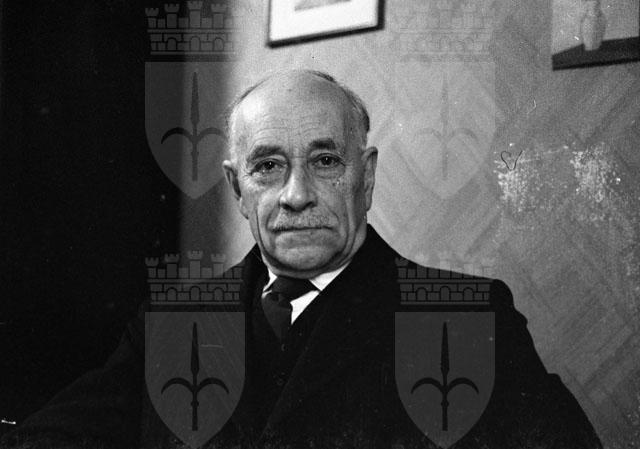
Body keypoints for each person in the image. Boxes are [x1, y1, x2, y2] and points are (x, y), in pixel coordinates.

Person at [2, 70, 602, 449]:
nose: (296, 195)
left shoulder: (468, 319)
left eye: (325, 161)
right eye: (268, 167)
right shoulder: (171, 323)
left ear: (366, 177)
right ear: (238, 189)